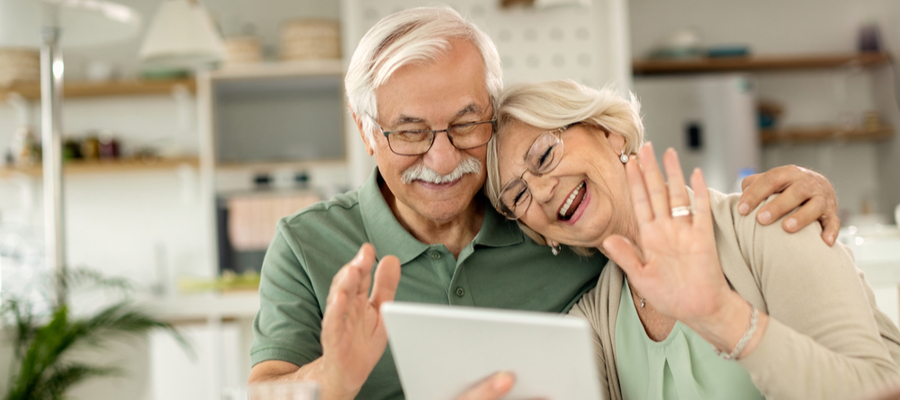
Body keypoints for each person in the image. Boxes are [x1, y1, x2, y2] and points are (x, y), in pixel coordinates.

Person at [248, 7, 842, 400]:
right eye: (408, 133)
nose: (441, 158)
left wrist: (784, 190)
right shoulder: (306, 244)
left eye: (465, 122)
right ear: (364, 128)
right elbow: (263, 390)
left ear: (492, 107)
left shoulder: (546, 219)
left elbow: (647, 216)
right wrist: (331, 377)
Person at [484, 79, 900, 400]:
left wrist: (721, 316)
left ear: (608, 131)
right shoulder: (595, 321)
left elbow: (878, 389)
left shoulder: (768, 222)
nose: (539, 192)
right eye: (517, 196)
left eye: (543, 156)